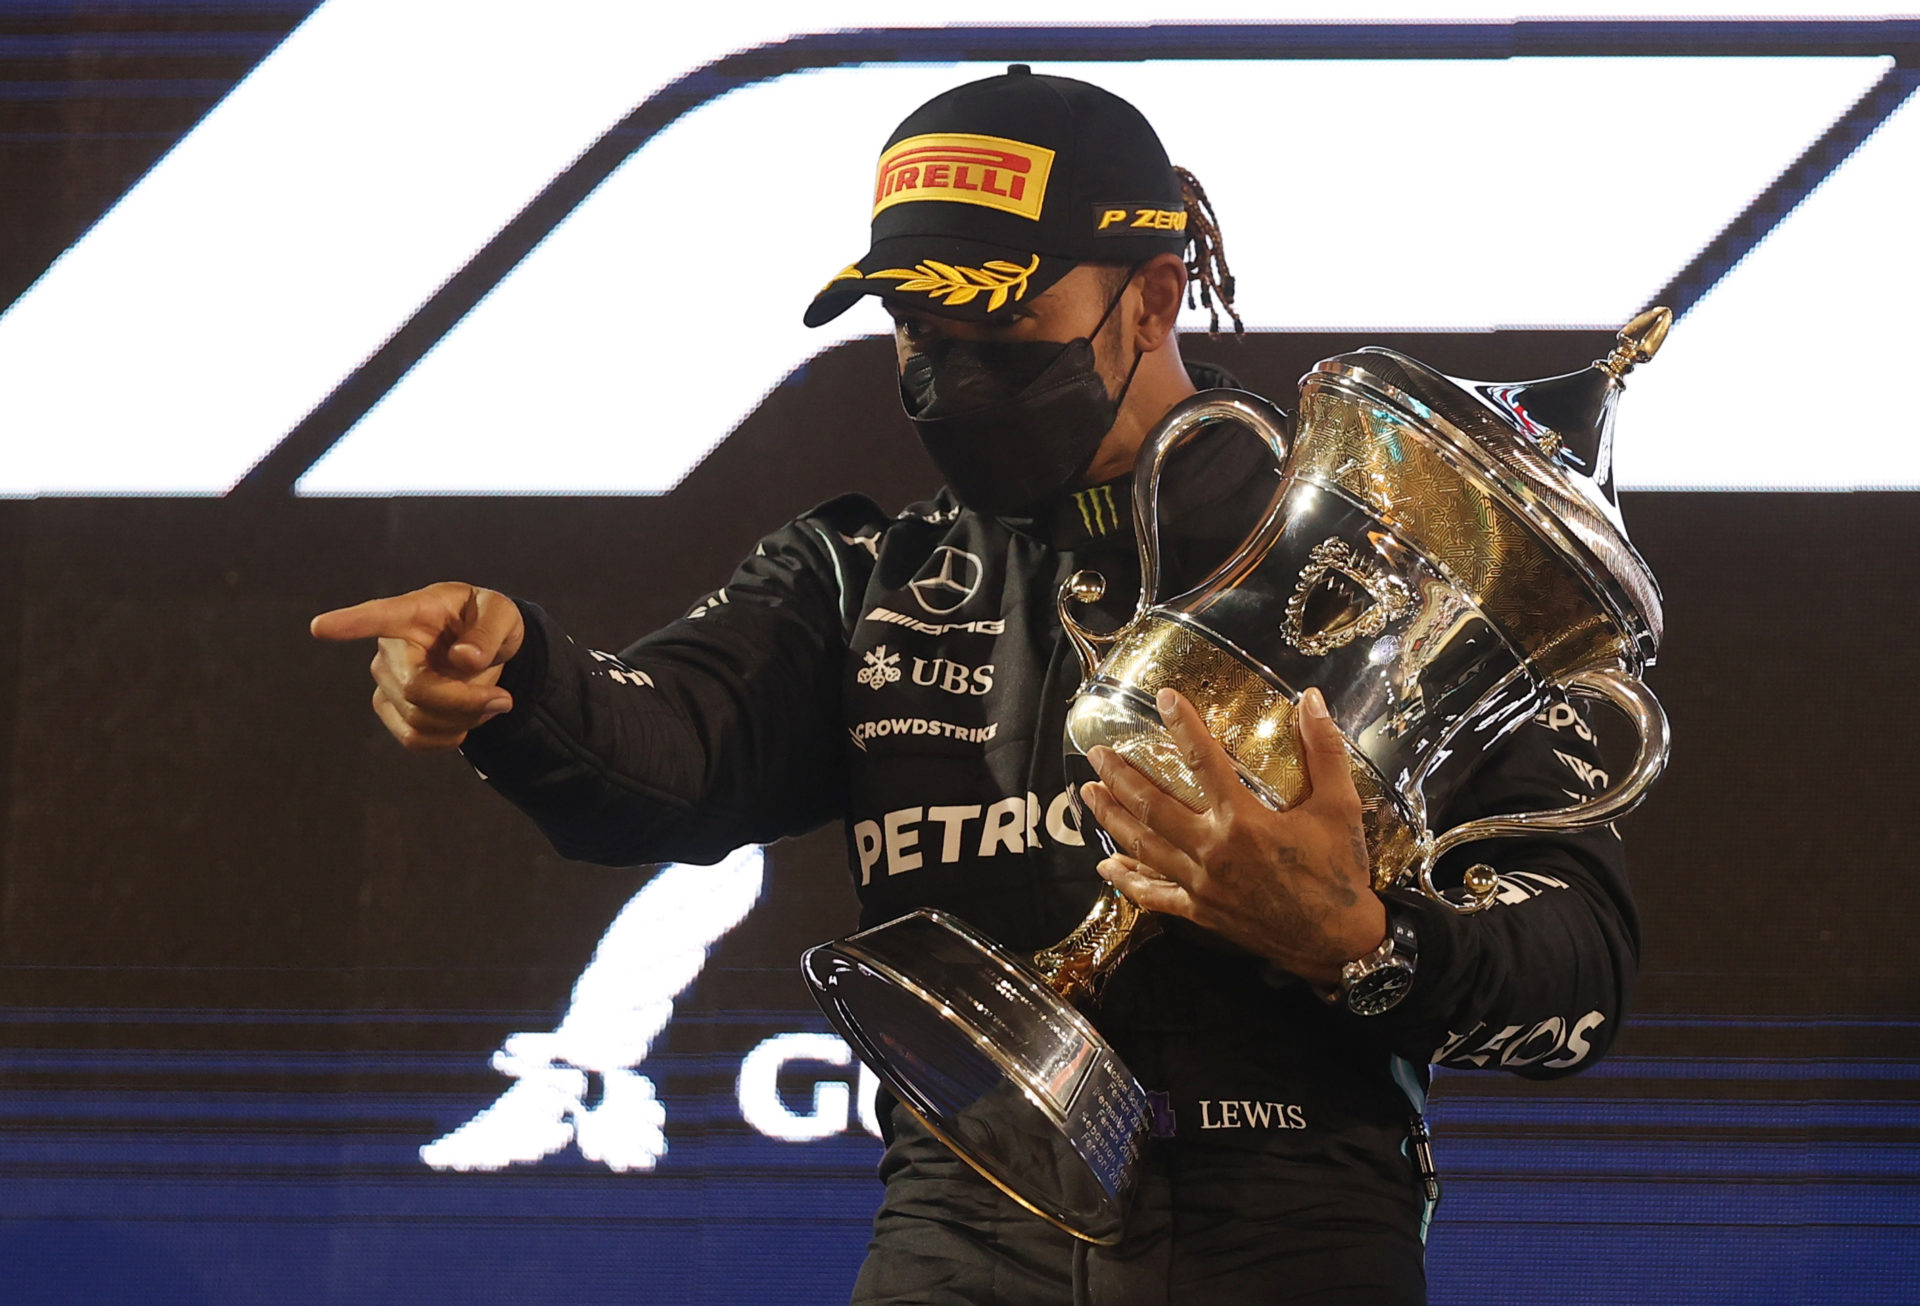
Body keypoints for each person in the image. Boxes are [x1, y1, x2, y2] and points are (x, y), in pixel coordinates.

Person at [312, 67, 1637, 1306]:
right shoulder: (861, 577)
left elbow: (1574, 970)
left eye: (995, 316)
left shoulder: (1401, 567)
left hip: (1291, 1217)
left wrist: (1358, 937)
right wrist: (518, 677)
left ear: (1153, 297)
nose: (941, 365)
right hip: (966, 1220)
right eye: (908, 319)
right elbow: (664, 751)